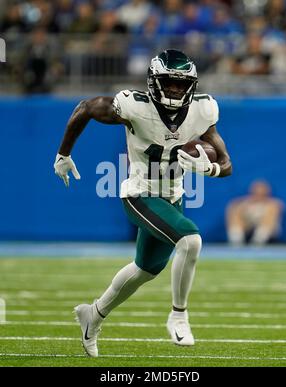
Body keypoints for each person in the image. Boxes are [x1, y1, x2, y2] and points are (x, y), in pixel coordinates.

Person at [53, 49, 232, 357]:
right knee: (190, 240)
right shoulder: (133, 106)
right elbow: (86, 108)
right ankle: (179, 315)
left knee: (145, 269)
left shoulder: (203, 111)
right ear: (153, 81)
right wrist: (64, 154)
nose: (175, 90)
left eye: (181, 84)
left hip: (173, 196)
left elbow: (227, 163)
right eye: (169, 83)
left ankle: (92, 316)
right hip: (139, 192)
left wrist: (211, 168)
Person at [226, 180, 284, 246]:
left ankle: (257, 243)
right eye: (256, 192)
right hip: (247, 230)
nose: (259, 195)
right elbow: (232, 205)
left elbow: (278, 208)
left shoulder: (274, 204)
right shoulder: (243, 203)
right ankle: (236, 243)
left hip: (267, 233)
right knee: (235, 211)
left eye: (262, 193)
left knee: (271, 212)